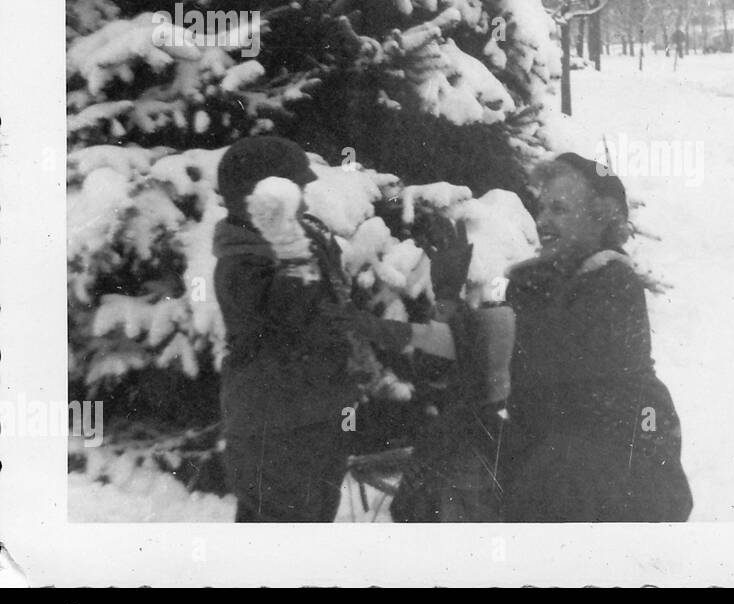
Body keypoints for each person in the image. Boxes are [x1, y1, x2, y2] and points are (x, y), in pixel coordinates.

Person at [213, 136, 455, 522]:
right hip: (275, 433)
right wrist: (288, 241)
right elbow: (294, 318)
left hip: (317, 421)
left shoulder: (300, 242)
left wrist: (376, 374)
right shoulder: (242, 265)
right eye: (296, 194)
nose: (306, 204)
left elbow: (336, 316)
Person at [498, 153, 693, 522]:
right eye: (541, 209)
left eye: (559, 209)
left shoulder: (614, 283)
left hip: (622, 456)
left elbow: (552, 357)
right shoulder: (532, 282)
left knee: (555, 473)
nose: (543, 222)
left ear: (599, 217)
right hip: (551, 450)